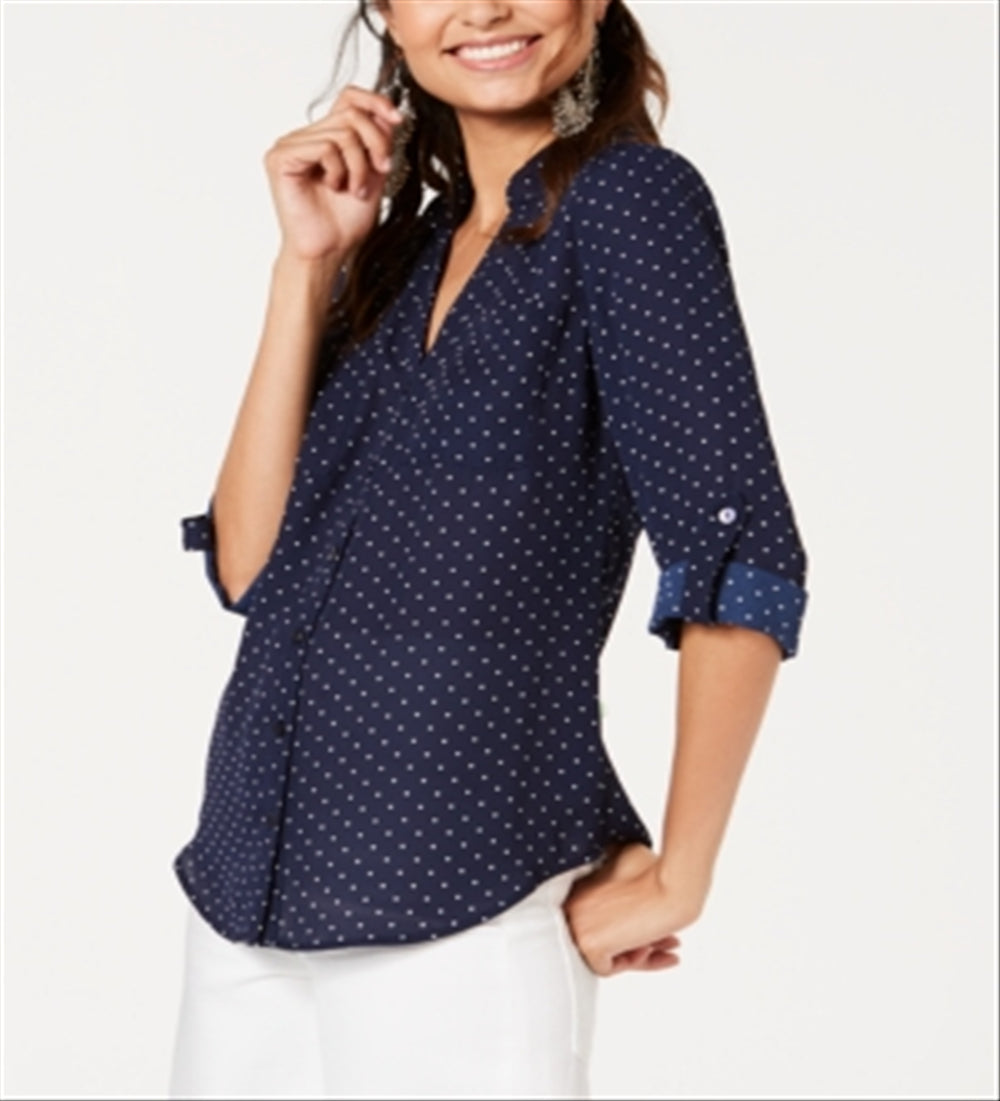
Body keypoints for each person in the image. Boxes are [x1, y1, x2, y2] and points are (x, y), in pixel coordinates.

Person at [168, 1, 809, 1097]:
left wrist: (680, 875)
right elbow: (250, 568)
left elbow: (737, 546)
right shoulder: (405, 246)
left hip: (459, 899)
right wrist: (305, 267)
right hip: (245, 896)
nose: (484, 8)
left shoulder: (628, 203)